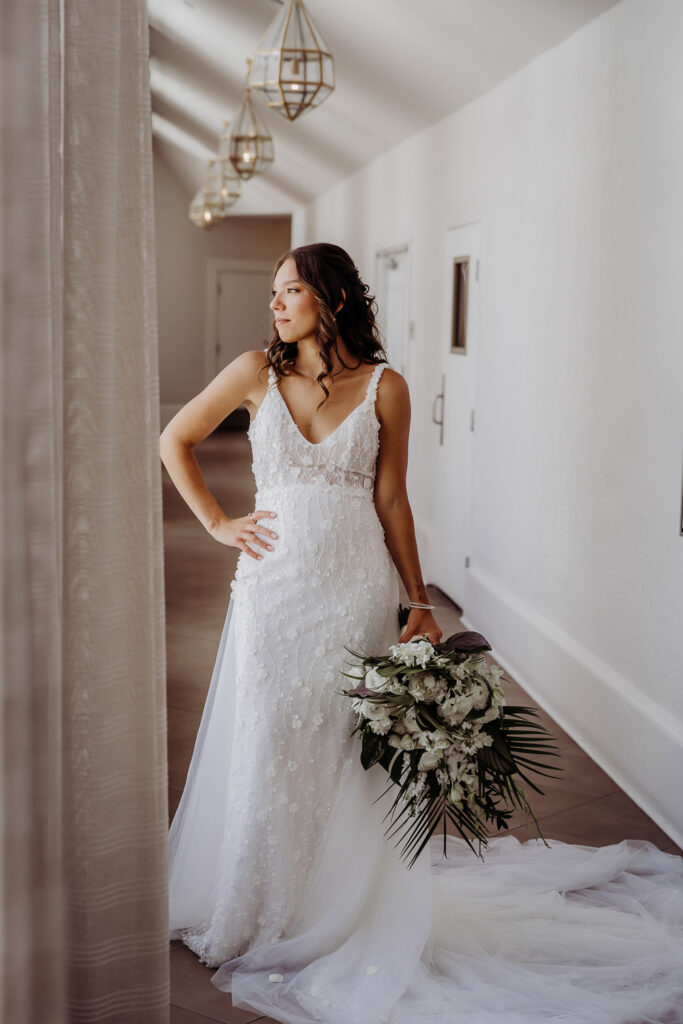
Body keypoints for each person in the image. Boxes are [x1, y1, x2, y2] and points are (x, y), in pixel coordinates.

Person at [161, 243, 683, 1024]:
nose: (274, 304)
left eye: (290, 290)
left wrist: (417, 600)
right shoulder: (251, 372)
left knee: (343, 750)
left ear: (330, 298)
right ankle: (253, 903)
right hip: (271, 594)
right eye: (272, 292)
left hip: (351, 594)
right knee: (269, 738)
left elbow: (392, 500)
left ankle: (335, 909)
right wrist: (216, 523)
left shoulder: (386, 388)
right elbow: (176, 438)